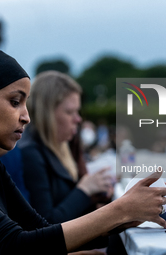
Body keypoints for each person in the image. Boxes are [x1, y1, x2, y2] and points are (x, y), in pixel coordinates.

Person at [0, 46, 166, 255]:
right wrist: (119, 210)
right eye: (15, 102)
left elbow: (38, 229)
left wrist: (125, 218)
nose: (26, 117)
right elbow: (17, 245)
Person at [18, 71, 113, 224]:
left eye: (78, 111)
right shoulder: (31, 153)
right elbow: (45, 224)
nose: (78, 119)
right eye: (70, 112)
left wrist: (95, 194)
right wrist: (84, 190)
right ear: (47, 113)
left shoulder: (62, 145)